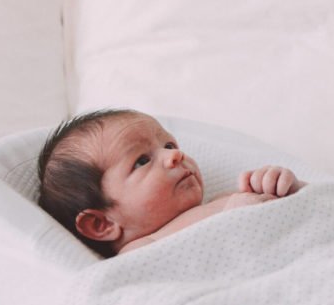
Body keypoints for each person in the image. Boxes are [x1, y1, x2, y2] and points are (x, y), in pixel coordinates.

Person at [37, 109, 306, 257]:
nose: (174, 155)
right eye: (142, 161)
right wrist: (234, 218)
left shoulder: (220, 200)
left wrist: (282, 185)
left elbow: (308, 206)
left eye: (169, 144)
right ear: (102, 224)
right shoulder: (140, 253)